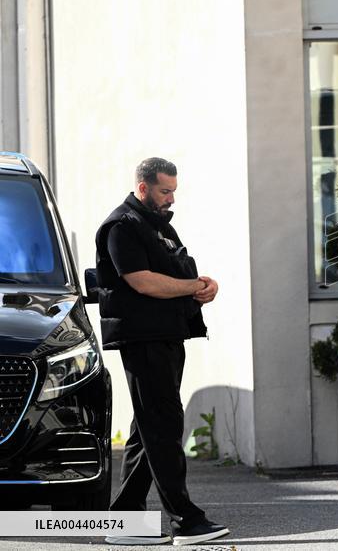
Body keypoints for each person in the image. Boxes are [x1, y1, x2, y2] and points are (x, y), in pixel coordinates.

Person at [94, 158, 229, 546]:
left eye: (173, 191)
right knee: (163, 426)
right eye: (164, 191)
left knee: (147, 428)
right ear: (143, 188)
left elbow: (178, 272)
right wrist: (191, 288)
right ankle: (185, 520)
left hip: (166, 336)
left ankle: (124, 521)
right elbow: (143, 282)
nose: (171, 198)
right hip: (143, 340)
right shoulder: (122, 226)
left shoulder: (159, 226)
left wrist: (204, 285)